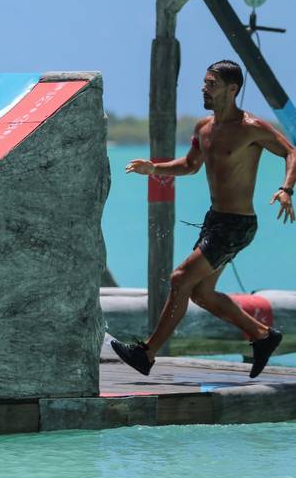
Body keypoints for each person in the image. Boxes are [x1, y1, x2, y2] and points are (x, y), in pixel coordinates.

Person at [112, 60, 295, 378]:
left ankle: (146, 353)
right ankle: (264, 336)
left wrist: (285, 190)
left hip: (237, 225)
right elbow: (190, 164)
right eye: (204, 83)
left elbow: (292, 152)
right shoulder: (203, 129)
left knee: (179, 279)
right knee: (201, 293)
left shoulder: (251, 128)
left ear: (232, 89)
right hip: (214, 221)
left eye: (211, 84)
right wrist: (155, 168)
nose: (204, 88)